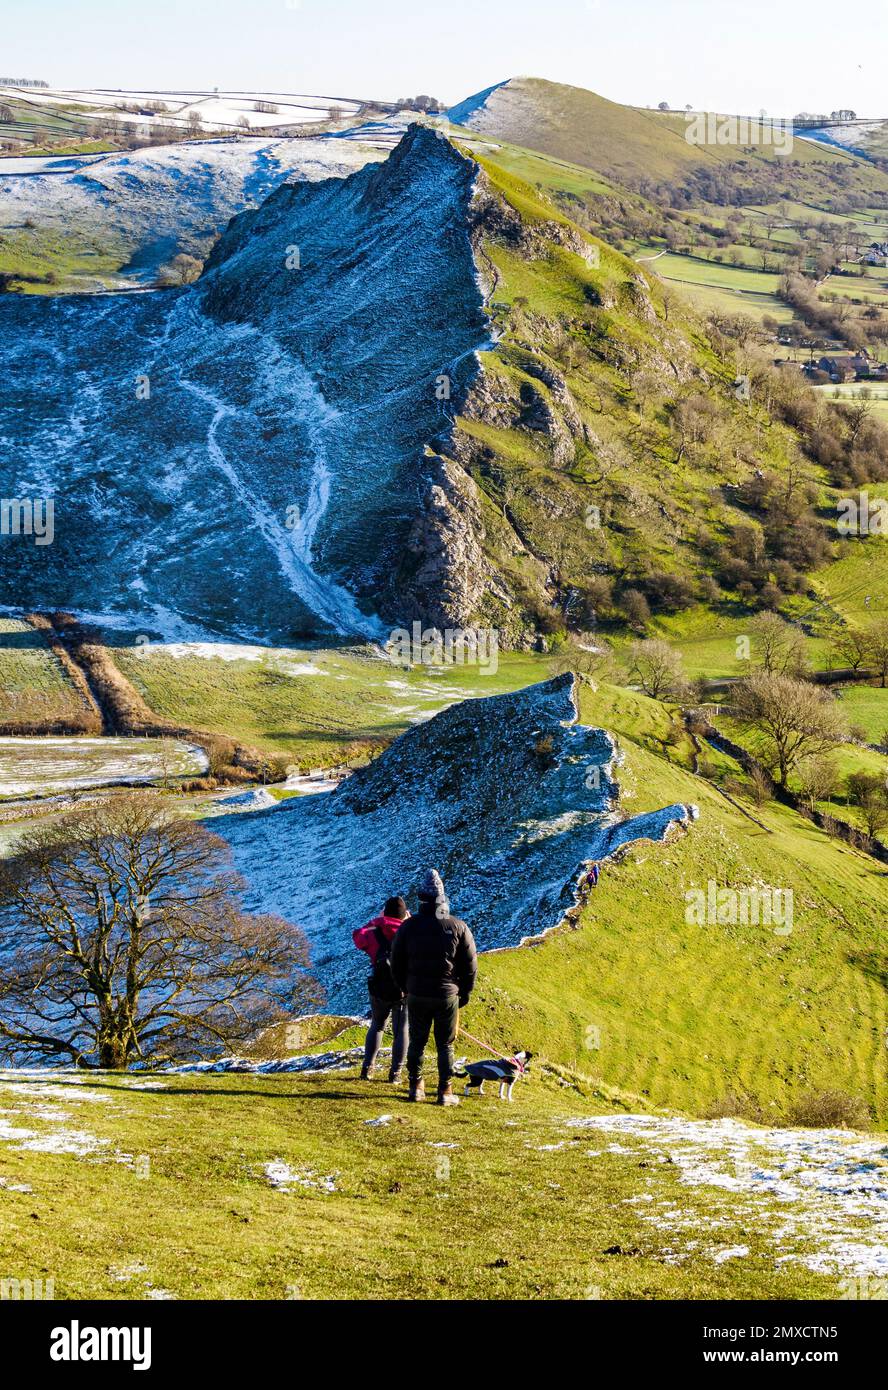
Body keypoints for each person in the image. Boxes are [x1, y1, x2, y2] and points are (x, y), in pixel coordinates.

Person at [390, 869, 477, 1106]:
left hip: (416, 993)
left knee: (417, 1041)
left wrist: (404, 987)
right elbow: (470, 966)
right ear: (442, 899)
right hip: (447, 994)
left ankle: (415, 1087)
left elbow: (395, 961)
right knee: (445, 1044)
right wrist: (464, 993)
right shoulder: (458, 927)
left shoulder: (408, 927)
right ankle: (445, 1091)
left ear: (421, 900)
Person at [353, 896, 409, 1083]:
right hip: (404, 989)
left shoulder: (374, 930)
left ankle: (367, 1069)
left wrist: (377, 920)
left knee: (377, 1025)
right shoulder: (410, 931)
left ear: (385, 912)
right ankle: (395, 1074)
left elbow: (358, 937)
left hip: (379, 986)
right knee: (401, 1030)